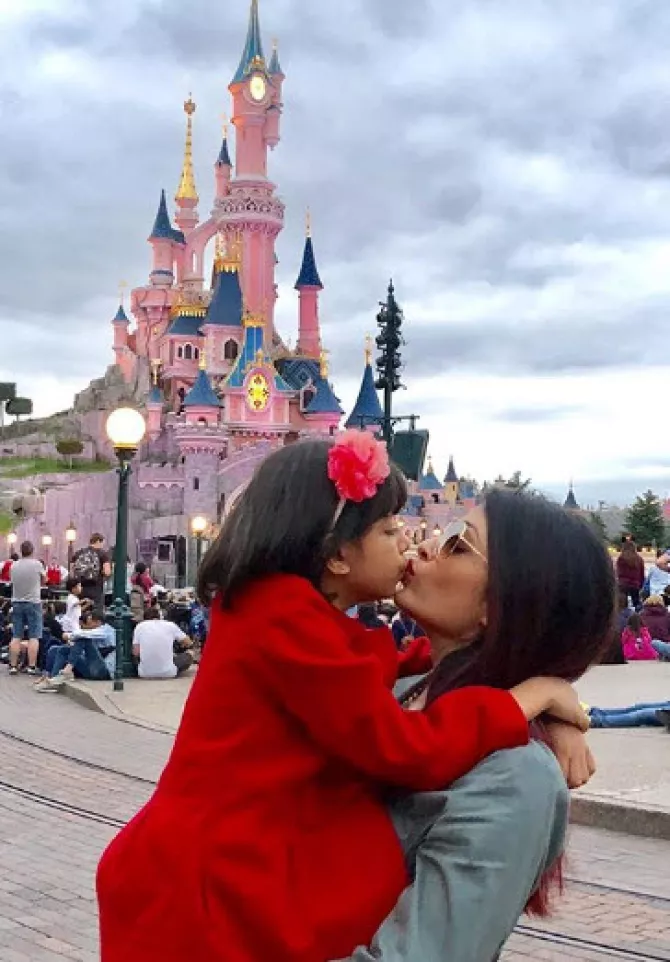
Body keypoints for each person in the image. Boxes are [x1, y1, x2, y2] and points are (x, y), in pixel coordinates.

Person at [97, 434, 590, 962]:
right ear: (335, 554)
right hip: (207, 890)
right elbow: (405, 744)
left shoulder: (514, 776)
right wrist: (529, 696)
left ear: (505, 602)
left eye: (454, 541)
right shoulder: (296, 626)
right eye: (390, 530)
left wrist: (541, 698)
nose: (415, 544)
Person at [35, 607, 116, 690]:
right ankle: (52, 679)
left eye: (90, 623)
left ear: (98, 622)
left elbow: (81, 635)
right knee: (61, 649)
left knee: (82, 638)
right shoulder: (92, 632)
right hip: (90, 667)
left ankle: (67, 670)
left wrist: (69, 636)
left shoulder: (107, 630)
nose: (87, 626)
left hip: (104, 670)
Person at [9, 540, 45, 675]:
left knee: (16, 635)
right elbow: (44, 579)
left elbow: (11, 580)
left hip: (17, 601)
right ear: (32, 551)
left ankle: (13, 665)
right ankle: (31, 666)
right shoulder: (37, 564)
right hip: (33, 602)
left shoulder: (14, 565)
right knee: (34, 636)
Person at [132, 607, 194, 678]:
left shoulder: (139, 626)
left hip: (144, 673)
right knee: (190, 653)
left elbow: (135, 652)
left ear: (144, 618)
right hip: (169, 673)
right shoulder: (170, 625)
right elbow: (188, 642)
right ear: (159, 616)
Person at [71, 533, 111, 606]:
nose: (102, 546)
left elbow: (72, 570)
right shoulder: (102, 554)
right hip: (96, 588)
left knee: (82, 611)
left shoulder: (79, 553)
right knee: (96, 612)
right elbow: (107, 572)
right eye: (102, 543)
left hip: (81, 588)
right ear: (98, 541)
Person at [616, 540, 645, 608]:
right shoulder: (639, 559)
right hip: (635, 584)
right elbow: (641, 574)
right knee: (636, 604)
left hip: (623, 584)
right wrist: (640, 585)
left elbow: (619, 573)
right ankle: (637, 616)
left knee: (622, 605)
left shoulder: (621, 559)